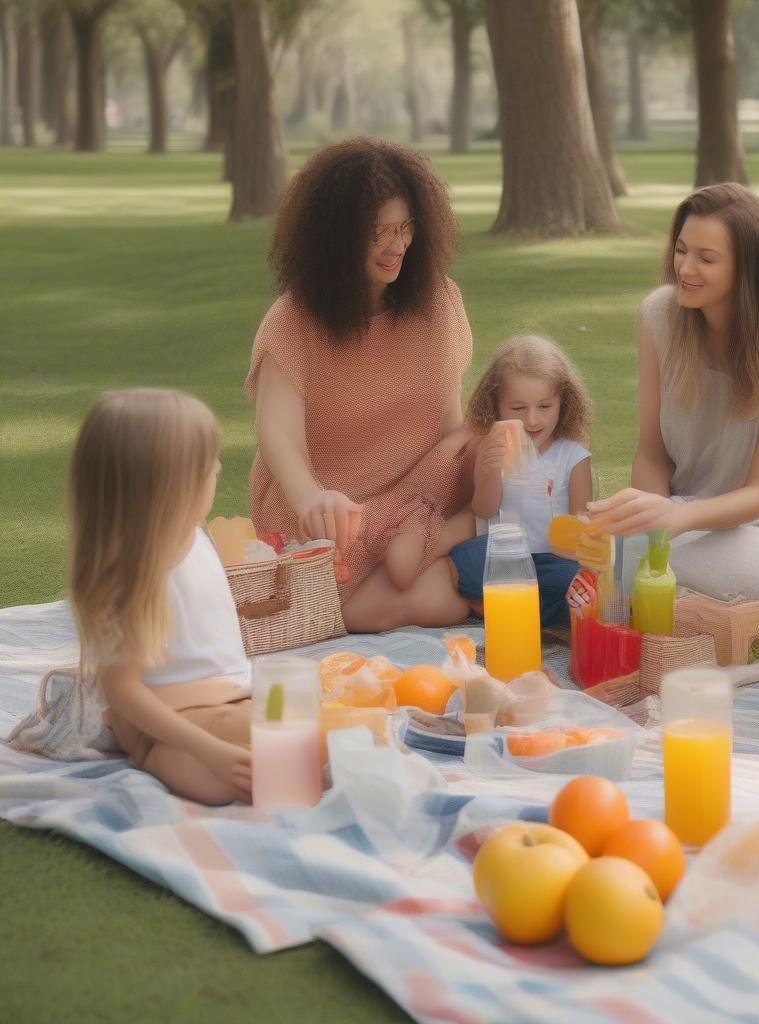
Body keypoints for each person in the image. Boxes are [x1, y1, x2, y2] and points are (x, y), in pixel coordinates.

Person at [246, 139, 477, 633]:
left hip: (414, 506)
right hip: (328, 514)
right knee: (369, 601)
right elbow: (277, 434)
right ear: (336, 238)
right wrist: (313, 499)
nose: (398, 246)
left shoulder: (439, 302)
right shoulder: (291, 322)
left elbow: (449, 423)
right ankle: (428, 583)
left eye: (407, 228)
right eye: (380, 233)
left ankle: (427, 574)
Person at [584, 183, 759, 602]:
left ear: (747, 270)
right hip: (678, 514)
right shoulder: (659, 316)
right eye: (681, 250)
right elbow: (651, 455)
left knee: (631, 571)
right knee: (609, 557)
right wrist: (649, 521)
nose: (684, 269)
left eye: (706, 259)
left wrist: (670, 525)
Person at [67, 389, 252, 805]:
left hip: (229, 695)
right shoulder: (131, 576)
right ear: (169, 487)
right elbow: (123, 692)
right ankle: (156, 754)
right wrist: (210, 752)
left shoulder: (194, 532)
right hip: (161, 716)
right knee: (222, 782)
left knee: (310, 728)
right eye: (208, 464)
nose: (219, 467)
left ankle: (190, 749)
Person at [448, 335, 594, 627]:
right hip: (503, 553)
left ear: (563, 402)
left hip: (551, 558)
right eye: (518, 408)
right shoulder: (492, 448)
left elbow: (581, 517)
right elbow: (485, 510)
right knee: (465, 562)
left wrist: (582, 537)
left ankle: (507, 611)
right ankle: (512, 609)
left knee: (575, 585)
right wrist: (489, 471)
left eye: (544, 406)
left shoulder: (573, 455)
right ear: (496, 406)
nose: (532, 420)